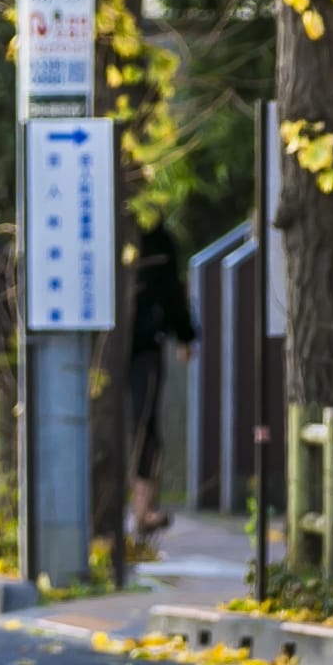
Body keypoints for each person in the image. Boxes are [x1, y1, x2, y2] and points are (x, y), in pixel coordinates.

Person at [123, 218, 200, 537]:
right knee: (139, 423)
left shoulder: (155, 238)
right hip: (123, 344)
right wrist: (184, 334)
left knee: (143, 424)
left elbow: (170, 290)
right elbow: (171, 289)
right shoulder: (129, 230)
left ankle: (143, 509)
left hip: (139, 344)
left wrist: (183, 334)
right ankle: (136, 509)